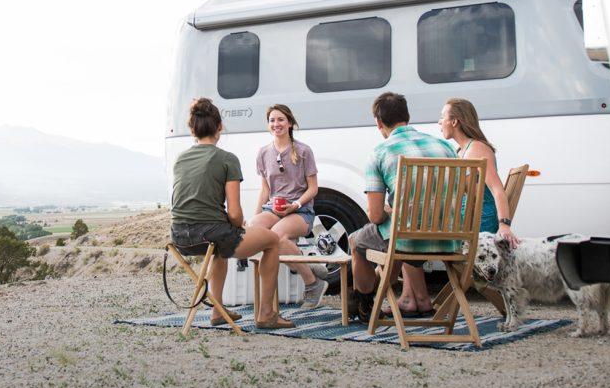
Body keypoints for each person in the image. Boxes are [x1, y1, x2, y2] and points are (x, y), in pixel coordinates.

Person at [170, 98, 294, 329]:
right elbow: (235, 214)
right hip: (211, 234)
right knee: (272, 240)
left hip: (179, 238)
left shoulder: (180, 159)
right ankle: (266, 314)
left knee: (220, 250)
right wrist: (240, 225)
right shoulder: (227, 159)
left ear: (192, 129)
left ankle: (217, 311)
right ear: (219, 126)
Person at [348, 92, 459, 323]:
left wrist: (389, 211)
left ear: (379, 122)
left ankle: (365, 305)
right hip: (450, 238)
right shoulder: (445, 147)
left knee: (356, 241)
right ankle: (397, 298)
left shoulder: (380, 152)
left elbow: (375, 216)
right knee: (397, 230)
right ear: (407, 117)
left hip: (407, 241)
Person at [247, 104, 329, 309]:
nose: (276, 124)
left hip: (301, 210)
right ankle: (306, 264)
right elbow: (265, 190)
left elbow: (313, 188)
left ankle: (312, 284)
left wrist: (296, 204)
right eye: (272, 120)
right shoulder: (263, 153)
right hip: (273, 209)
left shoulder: (303, 151)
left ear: (290, 123)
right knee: (254, 229)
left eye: (281, 119)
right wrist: (255, 218)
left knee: (277, 236)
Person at [438, 98, 520, 249]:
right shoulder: (461, 151)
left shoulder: (477, 148)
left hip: (479, 222)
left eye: (443, 117)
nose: (439, 122)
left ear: (454, 122)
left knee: (416, 232)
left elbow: (497, 189)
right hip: (465, 221)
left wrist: (504, 225)